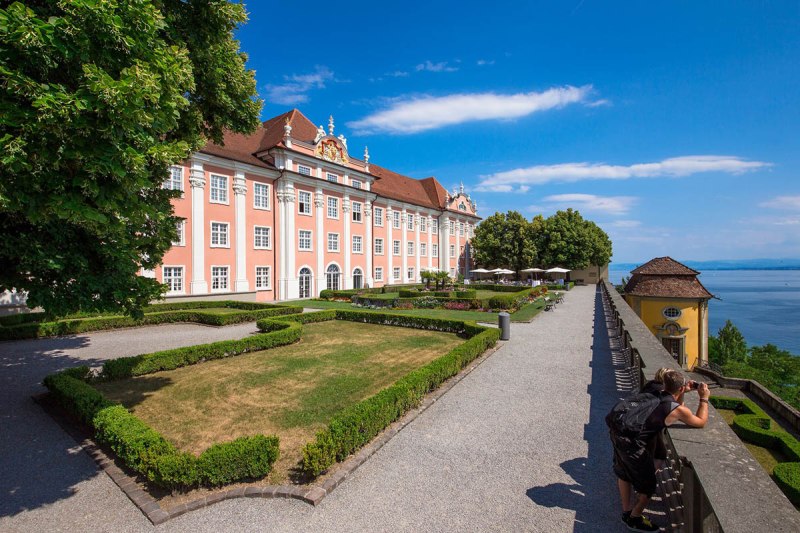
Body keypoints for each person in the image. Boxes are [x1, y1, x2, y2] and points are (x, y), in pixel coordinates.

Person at [610, 370, 709, 532]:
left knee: (624, 474)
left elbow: (676, 406)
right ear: (681, 388)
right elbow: (700, 421)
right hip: (633, 445)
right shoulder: (674, 408)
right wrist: (704, 398)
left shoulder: (654, 393)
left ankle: (627, 510)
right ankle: (634, 518)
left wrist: (682, 392)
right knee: (648, 487)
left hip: (619, 433)